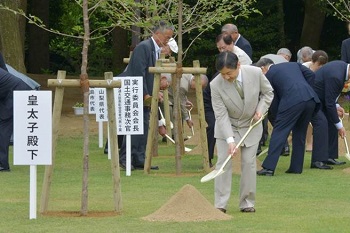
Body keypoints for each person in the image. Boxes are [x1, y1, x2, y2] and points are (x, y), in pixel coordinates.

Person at [211, 51, 273, 213]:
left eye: (228, 73)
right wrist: (230, 140)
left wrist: (260, 110)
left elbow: (268, 93)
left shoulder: (255, 72)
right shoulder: (215, 85)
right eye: (222, 74)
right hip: (228, 127)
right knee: (223, 163)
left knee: (248, 163)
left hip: (251, 125)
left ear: (238, 65)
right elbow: (221, 115)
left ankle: (247, 202)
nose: (226, 77)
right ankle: (220, 204)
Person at [118, 21, 174, 171]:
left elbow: (150, 75)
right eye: (167, 37)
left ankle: (139, 158)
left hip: (145, 93)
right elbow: (138, 73)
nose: (168, 40)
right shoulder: (144, 47)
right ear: (158, 34)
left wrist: (155, 92)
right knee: (134, 127)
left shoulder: (154, 50)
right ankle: (126, 159)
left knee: (143, 127)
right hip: (135, 93)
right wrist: (145, 94)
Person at [256, 58, 320, 176]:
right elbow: (311, 75)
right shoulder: (294, 64)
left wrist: (276, 118)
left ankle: (268, 168)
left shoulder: (268, 75)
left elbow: (273, 99)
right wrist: (308, 89)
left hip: (292, 101)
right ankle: (296, 167)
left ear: (263, 68)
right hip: (310, 99)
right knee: (300, 133)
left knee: (279, 132)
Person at [203, 33, 252, 167]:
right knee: (214, 126)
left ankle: (243, 155)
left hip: (235, 100)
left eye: (224, 48)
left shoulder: (241, 59)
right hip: (213, 102)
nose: (221, 51)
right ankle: (208, 159)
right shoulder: (218, 79)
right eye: (219, 49)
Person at [311, 61, 349, 168]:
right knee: (322, 123)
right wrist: (340, 127)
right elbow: (329, 103)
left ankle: (329, 156)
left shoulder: (342, 68)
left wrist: (337, 106)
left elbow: (330, 94)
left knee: (331, 122)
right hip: (313, 100)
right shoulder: (336, 76)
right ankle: (317, 161)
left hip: (323, 99)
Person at [0, 52, 33, 172]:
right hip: (8, 90)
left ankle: (2, 164)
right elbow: (4, 69)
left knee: (4, 126)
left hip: (15, 92)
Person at [303, 50, 329, 152]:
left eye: (323, 65)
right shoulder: (304, 67)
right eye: (319, 64)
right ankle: (308, 143)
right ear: (313, 61)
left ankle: (310, 143)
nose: (321, 67)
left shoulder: (323, 71)